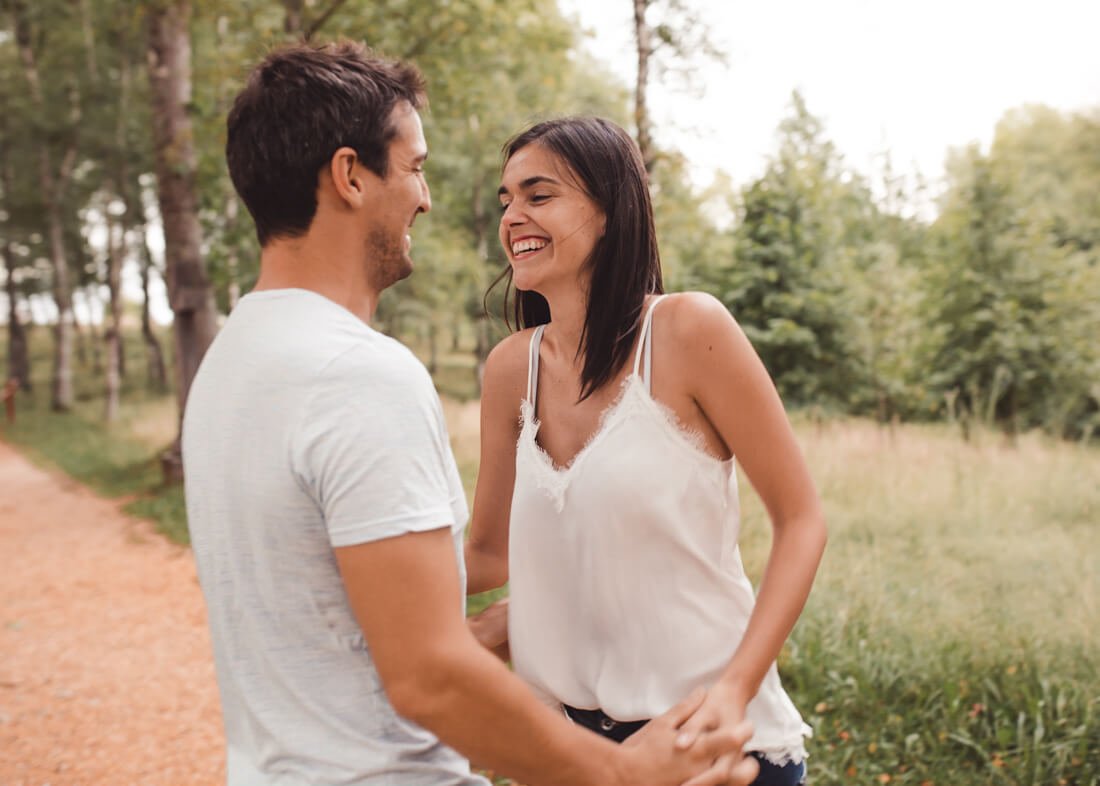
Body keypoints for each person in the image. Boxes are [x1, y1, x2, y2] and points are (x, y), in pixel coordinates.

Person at [182, 43, 761, 786]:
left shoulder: (229, 367)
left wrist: (541, 600)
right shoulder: (360, 374)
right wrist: (623, 774)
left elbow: (342, 579)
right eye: (415, 167)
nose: (425, 197)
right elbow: (430, 677)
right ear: (351, 176)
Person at [465, 116, 828, 786]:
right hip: (568, 755)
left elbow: (802, 519)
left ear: (610, 211)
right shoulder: (512, 369)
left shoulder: (690, 331)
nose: (513, 214)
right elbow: (486, 554)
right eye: (505, 199)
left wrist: (733, 691)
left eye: (538, 195)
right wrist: (354, 583)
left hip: (708, 749)